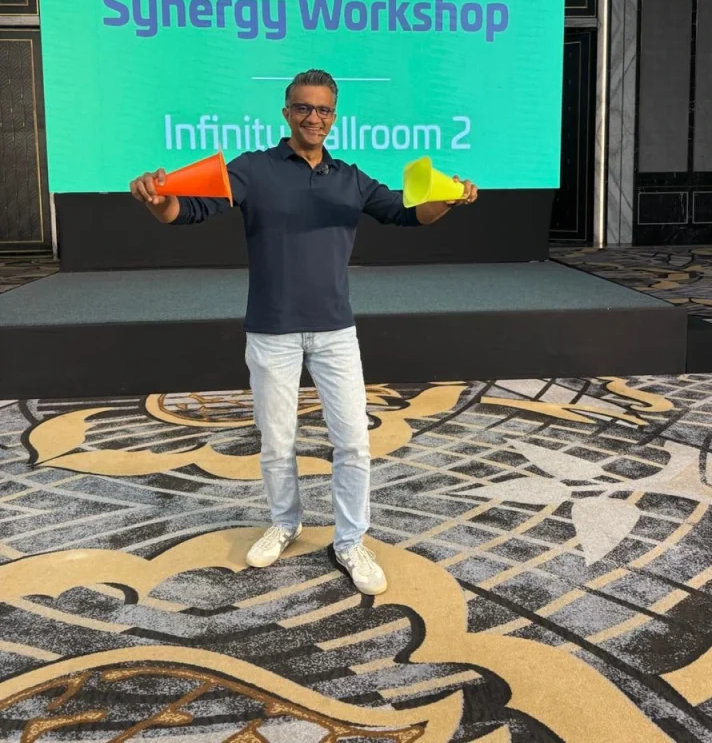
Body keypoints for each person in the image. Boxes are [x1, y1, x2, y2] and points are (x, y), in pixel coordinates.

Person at [130, 69, 478, 595]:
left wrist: (448, 199)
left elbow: (409, 215)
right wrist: (161, 204)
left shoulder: (350, 177)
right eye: (303, 108)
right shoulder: (253, 169)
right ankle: (285, 524)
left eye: (324, 110)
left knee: (354, 443)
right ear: (286, 111)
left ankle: (350, 541)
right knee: (277, 442)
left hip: (336, 331)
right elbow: (192, 209)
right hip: (272, 331)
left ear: (334, 117)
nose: (314, 118)